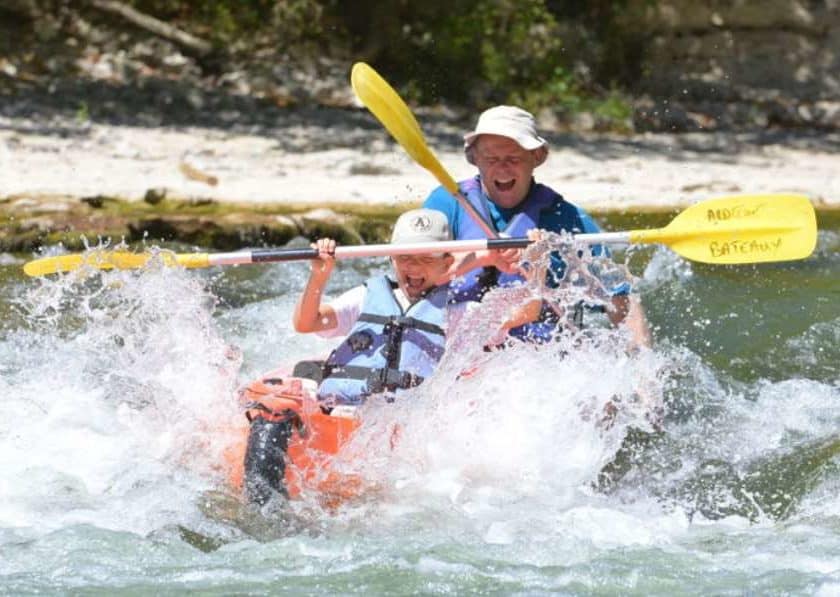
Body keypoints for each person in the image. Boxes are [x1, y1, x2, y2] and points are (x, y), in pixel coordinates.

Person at [423, 105, 651, 347]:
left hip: (535, 356)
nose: (502, 168)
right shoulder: (447, 204)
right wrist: (482, 257)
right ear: (474, 159)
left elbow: (620, 300)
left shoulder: (569, 219)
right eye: (491, 159)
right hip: (461, 345)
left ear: (537, 157)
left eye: (513, 158)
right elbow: (412, 274)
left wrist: (643, 378)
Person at [292, 207, 540, 407]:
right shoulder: (366, 296)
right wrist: (319, 276)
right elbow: (307, 323)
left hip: (404, 422)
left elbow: (528, 311)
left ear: (447, 264)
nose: (414, 268)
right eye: (405, 257)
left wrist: (537, 264)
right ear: (391, 258)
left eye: (426, 259)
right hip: (343, 408)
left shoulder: (456, 314)